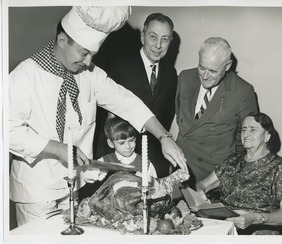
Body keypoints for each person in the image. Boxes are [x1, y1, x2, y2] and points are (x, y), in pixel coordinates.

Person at [9, 6, 187, 226]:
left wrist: (164, 137)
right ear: (63, 40)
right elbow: (7, 131)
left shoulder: (89, 74)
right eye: (84, 53)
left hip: (75, 187)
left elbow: (126, 101)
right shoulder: (24, 76)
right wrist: (57, 149)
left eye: (91, 55)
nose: (87, 62)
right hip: (36, 192)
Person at [94, 13, 177, 177]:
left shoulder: (171, 73)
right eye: (153, 37)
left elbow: (166, 117)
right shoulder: (118, 64)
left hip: (154, 158)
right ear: (142, 37)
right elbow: (103, 120)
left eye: (165, 39)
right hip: (120, 157)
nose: (158, 45)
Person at [175, 37, 258, 188]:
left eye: (213, 71)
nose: (205, 76)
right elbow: (180, 116)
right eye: (201, 67)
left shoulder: (242, 92)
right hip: (179, 169)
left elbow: (247, 140)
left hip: (213, 177)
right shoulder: (184, 77)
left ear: (227, 66)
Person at [196, 113, 282, 235]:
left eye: (253, 129)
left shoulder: (278, 166)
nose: (246, 134)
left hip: (257, 230)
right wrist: (199, 193)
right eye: (243, 129)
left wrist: (256, 218)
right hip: (223, 225)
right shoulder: (233, 160)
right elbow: (203, 184)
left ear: (267, 136)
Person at [82, 115, 157, 183]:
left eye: (131, 140)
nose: (128, 146)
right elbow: (86, 176)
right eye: (122, 143)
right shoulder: (104, 162)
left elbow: (156, 185)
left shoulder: (146, 164)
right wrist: (97, 173)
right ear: (111, 143)